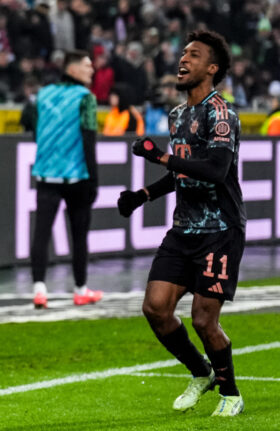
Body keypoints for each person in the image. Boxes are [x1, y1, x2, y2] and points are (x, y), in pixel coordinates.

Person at [117, 30, 245, 417]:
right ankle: (200, 372)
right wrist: (145, 195)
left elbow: (216, 169)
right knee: (155, 308)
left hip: (220, 229)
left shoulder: (220, 113)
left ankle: (231, 394)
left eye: (194, 55)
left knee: (205, 319)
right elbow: (183, 171)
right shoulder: (178, 115)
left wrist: (159, 158)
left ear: (212, 67)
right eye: (182, 53)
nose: (182, 60)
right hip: (184, 228)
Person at [29, 50, 103, 309]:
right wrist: (94, 179)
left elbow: (34, 128)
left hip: (46, 172)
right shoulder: (86, 98)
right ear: (72, 69)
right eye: (87, 65)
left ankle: (39, 289)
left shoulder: (43, 94)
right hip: (77, 175)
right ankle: (80, 289)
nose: (91, 70)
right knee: (79, 234)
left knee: (41, 232)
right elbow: (89, 137)